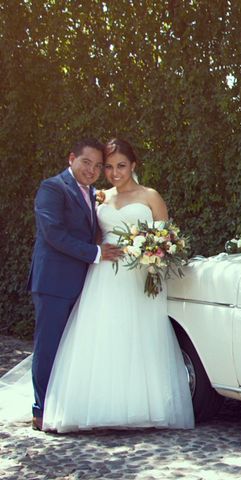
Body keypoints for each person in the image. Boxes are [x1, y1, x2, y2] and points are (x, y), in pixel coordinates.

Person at [41, 138, 194, 432]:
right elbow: (94, 238)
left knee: (141, 336)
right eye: (108, 167)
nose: (114, 173)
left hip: (140, 277)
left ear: (133, 165)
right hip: (105, 275)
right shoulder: (100, 198)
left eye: (121, 166)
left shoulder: (151, 196)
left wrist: (153, 253)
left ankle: (144, 407)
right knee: (105, 335)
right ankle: (100, 406)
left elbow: (168, 238)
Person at [27, 138, 123, 431]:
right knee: (49, 346)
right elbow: (54, 233)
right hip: (53, 282)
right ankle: (41, 410)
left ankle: (66, 405)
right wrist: (96, 253)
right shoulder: (52, 188)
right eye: (86, 163)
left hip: (84, 283)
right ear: (72, 159)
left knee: (72, 348)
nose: (92, 170)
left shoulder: (94, 193)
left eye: (97, 166)